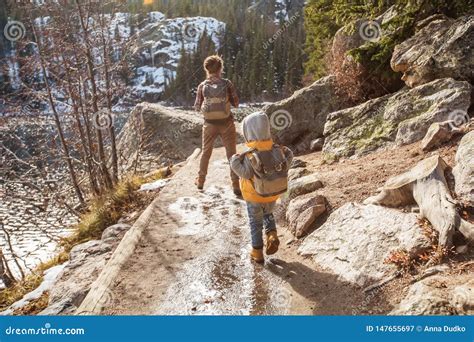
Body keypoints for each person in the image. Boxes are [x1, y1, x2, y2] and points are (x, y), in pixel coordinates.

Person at [230, 112, 293, 263]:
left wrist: (233, 161)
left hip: (254, 196)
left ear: (248, 133)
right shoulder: (277, 150)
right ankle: (272, 235)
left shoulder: (249, 155)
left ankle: (257, 252)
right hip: (272, 193)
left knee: (255, 222)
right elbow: (289, 156)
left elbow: (245, 173)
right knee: (268, 214)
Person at [194, 55, 241, 196]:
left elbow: (197, 107)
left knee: (206, 153)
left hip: (209, 125)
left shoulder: (202, 85)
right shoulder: (227, 84)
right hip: (226, 123)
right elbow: (236, 103)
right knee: (231, 154)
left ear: (206, 69)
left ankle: (201, 182)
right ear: (220, 68)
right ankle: (235, 185)